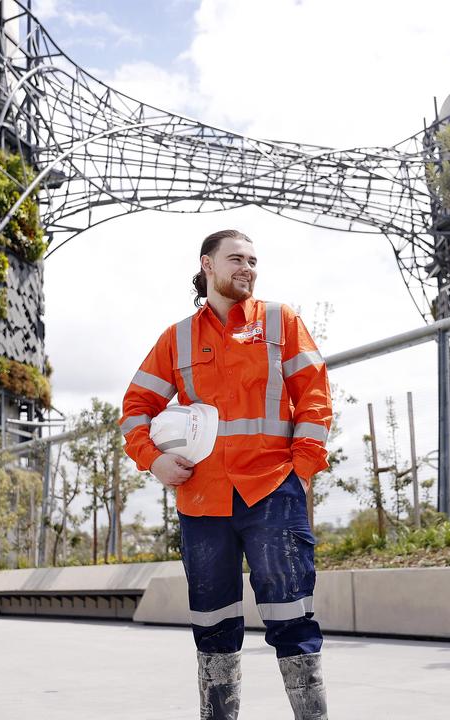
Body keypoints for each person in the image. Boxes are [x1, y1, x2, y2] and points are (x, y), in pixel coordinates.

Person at [120, 229, 332, 719]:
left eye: (254, 261)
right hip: (202, 501)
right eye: (236, 258)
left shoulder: (282, 321)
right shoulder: (176, 338)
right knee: (213, 626)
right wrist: (153, 459)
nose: (248, 268)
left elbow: (315, 399)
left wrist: (301, 472)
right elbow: (135, 407)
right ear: (208, 265)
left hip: (272, 492)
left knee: (292, 619)